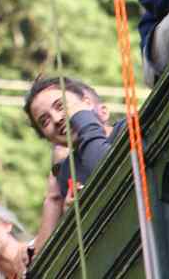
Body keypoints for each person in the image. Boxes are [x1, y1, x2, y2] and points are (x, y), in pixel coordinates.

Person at [21, 75, 123, 243]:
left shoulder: (128, 128)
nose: (57, 119)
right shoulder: (68, 172)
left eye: (60, 106)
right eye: (44, 121)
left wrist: (83, 119)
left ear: (87, 102)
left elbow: (112, 172)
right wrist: (71, 215)